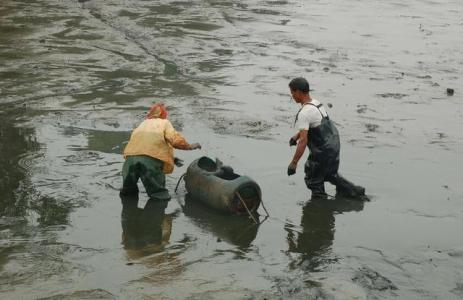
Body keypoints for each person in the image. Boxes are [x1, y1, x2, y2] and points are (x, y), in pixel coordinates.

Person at [287, 77, 366, 199]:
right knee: (330, 174)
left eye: (292, 92)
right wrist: (296, 136)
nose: (292, 96)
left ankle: (319, 206)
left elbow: (303, 141)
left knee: (313, 177)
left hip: (323, 150)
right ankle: (354, 191)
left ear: (298, 91)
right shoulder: (316, 103)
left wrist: (294, 163)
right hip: (333, 144)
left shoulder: (304, 113)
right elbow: (314, 123)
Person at [121, 103, 201, 200]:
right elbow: (174, 139)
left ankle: (128, 211)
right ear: (163, 114)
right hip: (150, 163)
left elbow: (144, 146)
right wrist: (189, 146)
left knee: (128, 192)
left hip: (130, 160)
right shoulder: (164, 123)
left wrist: (172, 159)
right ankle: (159, 214)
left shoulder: (142, 124)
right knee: (159, 195)